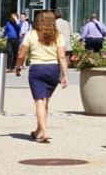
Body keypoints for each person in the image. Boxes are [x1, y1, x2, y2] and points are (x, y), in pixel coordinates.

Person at [13, 9, 68, 144]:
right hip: (53, 70)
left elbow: (21, 54)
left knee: (39, 101)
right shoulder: (58, 36)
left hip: (37, 69)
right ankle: (38, 130)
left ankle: (44, 133)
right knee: (45, 103)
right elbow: (62, 56)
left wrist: (18, 66)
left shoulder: (31, 34)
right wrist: (64, 75)